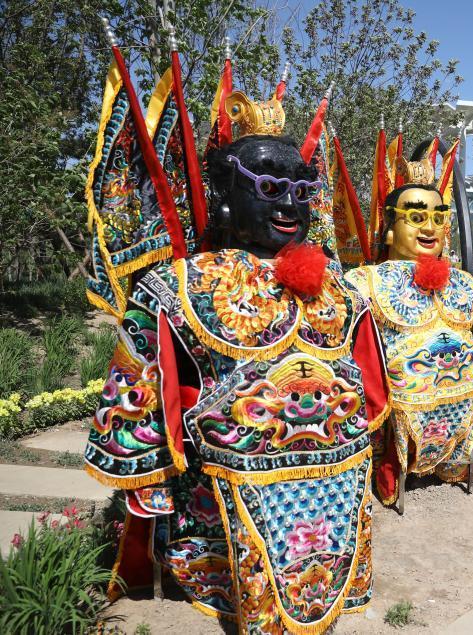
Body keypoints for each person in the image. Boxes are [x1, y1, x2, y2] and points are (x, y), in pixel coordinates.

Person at [83, 64, 389, 631]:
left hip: (335, 482)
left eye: (301, 190)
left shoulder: (340, 289)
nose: (289, 207)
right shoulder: (180, 285)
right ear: (225, 194)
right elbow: (141, 394)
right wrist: (149, 483)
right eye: (270, 188)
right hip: (229, 489)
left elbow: (369, 383)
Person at [344, 153, 473, 508]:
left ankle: (457, 460)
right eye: (415, 218)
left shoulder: (466, 284)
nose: (429, 229)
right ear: (389, 225)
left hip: (462, 395)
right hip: (398, 401)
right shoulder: (363, 282)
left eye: (437, 217)